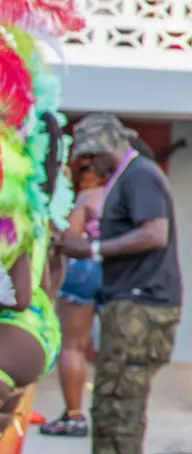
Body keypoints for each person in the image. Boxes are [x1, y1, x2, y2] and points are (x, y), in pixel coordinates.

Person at [55, 113, 183, 454]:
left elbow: (155, 234)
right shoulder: (131, 177)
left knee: (119, 405)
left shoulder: (139, 175)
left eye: (91, 158)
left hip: (141, 309)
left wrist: (90, 249)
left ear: (106, 148)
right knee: (111, 403)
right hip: (131, 306)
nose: (91, 168)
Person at [41, 184, 104, 439]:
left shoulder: (91, 197)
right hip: (123, 272)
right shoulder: (139, 194)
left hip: (85, 269)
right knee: (118, 350)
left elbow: (72, 235)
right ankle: (112, 418)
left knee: (72, 346)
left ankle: (74, 416)